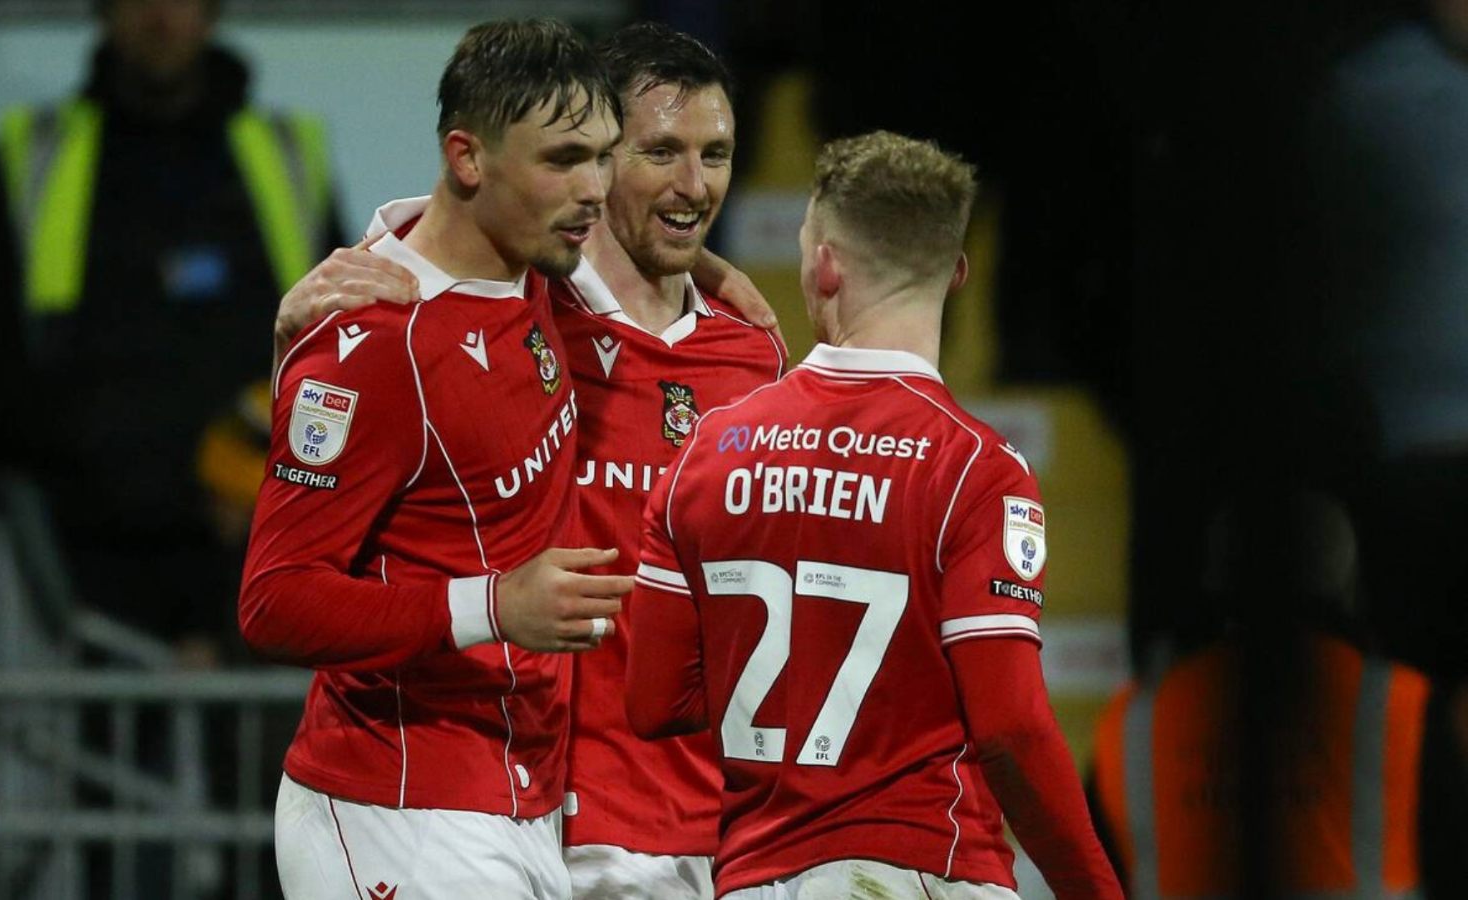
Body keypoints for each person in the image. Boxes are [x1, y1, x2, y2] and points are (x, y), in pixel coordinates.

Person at [268, 23, 785, 898]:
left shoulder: (753, 352)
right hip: (502, 806)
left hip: (681, 824)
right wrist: (304, 329)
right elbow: (452, 231)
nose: (694, 185)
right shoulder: (520, 306)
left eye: (716, 154)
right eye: (659, 151)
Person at [625, 131, 1122, 899]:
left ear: (824, 264)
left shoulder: (707, 451)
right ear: (956, 274)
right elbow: (1012, 728)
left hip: (756, 877)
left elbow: (654, 702)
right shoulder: (975, 470)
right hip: (922, 866)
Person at [238, 20, 637, 900]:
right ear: (468, 157)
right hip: (397, 806)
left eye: (605, 157)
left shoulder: (536, 260)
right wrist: (494, 605)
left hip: (521, 794)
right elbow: (273, 601)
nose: (595, 191)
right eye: (565, 159)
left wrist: (721, 279)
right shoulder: (373, 339)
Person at [0, 0, 340, 655]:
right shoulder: (34, 153)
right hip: (85, 563)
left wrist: (260, 473)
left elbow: (341, 348)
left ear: (210, 12)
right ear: (104, 12)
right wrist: (84, 480)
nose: (159, 16)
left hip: (260, 543)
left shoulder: (285, 154)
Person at [1087, 491, 1468, 898]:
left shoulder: (1135, 719)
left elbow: (1086, 874)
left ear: (1216, 583)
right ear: (1347, 584)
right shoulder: (1401, 705)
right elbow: (1455, 863)